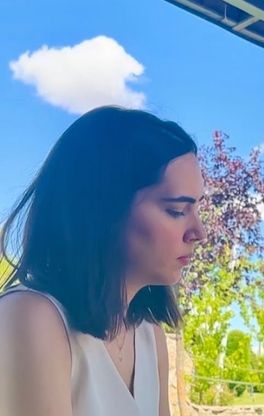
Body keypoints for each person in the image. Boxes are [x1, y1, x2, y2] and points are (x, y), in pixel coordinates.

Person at [0, 106, 206, 416]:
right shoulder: (29, 317)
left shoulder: (150, 336)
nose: (199, 232)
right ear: (103, 210)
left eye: (197, 209)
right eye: (176, 211)